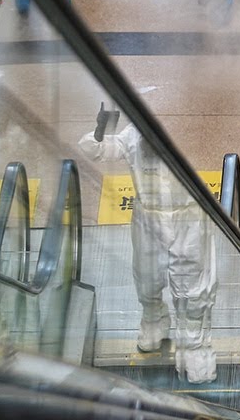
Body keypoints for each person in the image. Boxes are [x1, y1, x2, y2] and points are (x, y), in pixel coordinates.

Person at [78, 110, 218, 384]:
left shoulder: (185, 134)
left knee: (192, 289)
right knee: (147, 279)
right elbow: (97, 150)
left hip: (187, 219)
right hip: (148, 218)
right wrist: (99, 129)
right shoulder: (132, 137)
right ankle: (154, 321)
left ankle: (195, 348)